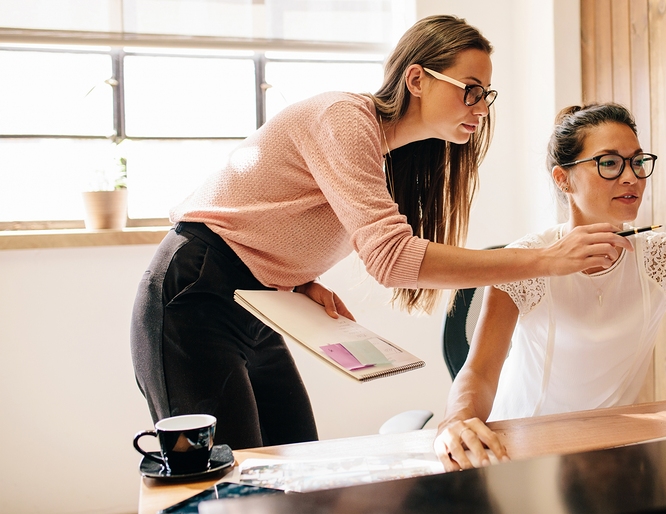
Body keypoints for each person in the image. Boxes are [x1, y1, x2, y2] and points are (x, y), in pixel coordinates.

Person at [130, 16, 629, 451]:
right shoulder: (344, 118)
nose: (481, 107)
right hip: (193, 295)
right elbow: (392, 260)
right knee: (226, 484)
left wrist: (296, 278)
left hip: (258, 302)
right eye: (470, 90)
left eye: (487, 95)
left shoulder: (389, 154)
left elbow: (274, 213)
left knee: (298, 466)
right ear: (416, 78)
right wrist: (546, 259)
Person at [434, 103, 666, 471]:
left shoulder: (665, 258)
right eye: (609, 163)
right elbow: (478, 373)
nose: (631, 177)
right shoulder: (525, 260)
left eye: (637, 161)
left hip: (611, 448)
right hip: (520, 447)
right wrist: (455, 419)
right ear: (563, 179)